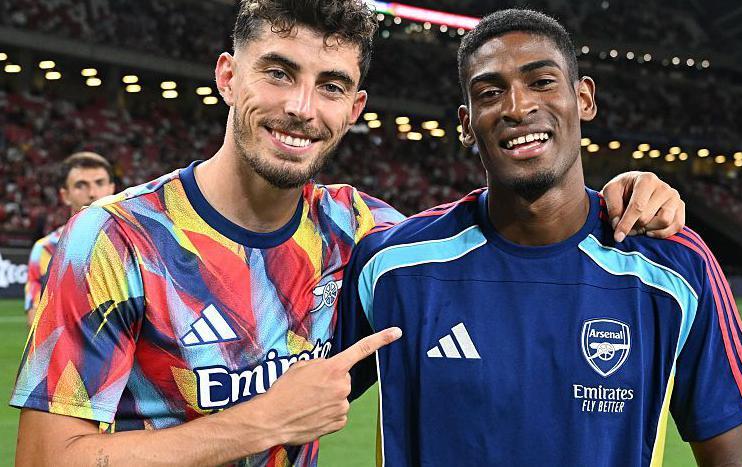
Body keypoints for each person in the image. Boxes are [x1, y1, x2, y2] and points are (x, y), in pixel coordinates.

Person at [12, 2, 685, 466]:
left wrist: (619, 193)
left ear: (354, 107)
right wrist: (265, 420)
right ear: (228, 76)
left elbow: (513, 229)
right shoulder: (112, 240)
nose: (301, 107)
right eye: (278, 72)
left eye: (330, 85)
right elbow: (46, 458)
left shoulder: (364, 235)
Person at [338, 9, 742, 467]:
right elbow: (288, 402)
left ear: (583, 98)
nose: (517, 107)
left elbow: (728, 458)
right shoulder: (392, 266)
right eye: (491, 92)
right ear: (466, 124)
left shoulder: (676, 268)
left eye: (542, 81)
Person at [23, 152, 116, 326]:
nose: (93, 193)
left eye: (100, 183)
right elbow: (35, 320)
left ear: (112, 189)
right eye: (81, 185)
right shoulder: (46, 249)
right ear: (65, 195)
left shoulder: (135, 242)